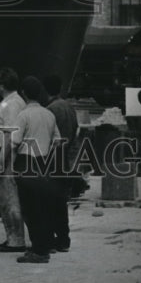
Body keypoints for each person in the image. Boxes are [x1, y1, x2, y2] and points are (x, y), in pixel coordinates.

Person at [10, 75, 62, 264]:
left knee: (30, 209)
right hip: (43, 162)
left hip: (26, 162)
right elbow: (57, 140)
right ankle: (45, 244)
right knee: (44, 206)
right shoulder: (49, 114)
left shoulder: (23, 115)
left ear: (23, 93)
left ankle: (39, 251)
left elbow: (14, 142)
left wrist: (9, 164)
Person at [0, 67, 26, 253]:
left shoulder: (11, 105)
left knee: (9, 198)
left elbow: (10, 135)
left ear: (1, 85)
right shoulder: (14, 102)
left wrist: (1, 161)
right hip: (7, 155)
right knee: (8, 198)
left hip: (7, 157)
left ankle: (15, 240)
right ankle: (12, 237)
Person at [43, 74, 79, 253]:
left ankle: (50, 239)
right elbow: (76, 130)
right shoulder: (69, 107)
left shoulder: (50, 110)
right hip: (65, 159)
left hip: (52, 160)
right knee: (61, 202)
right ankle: (64, 239)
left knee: (49, 201)